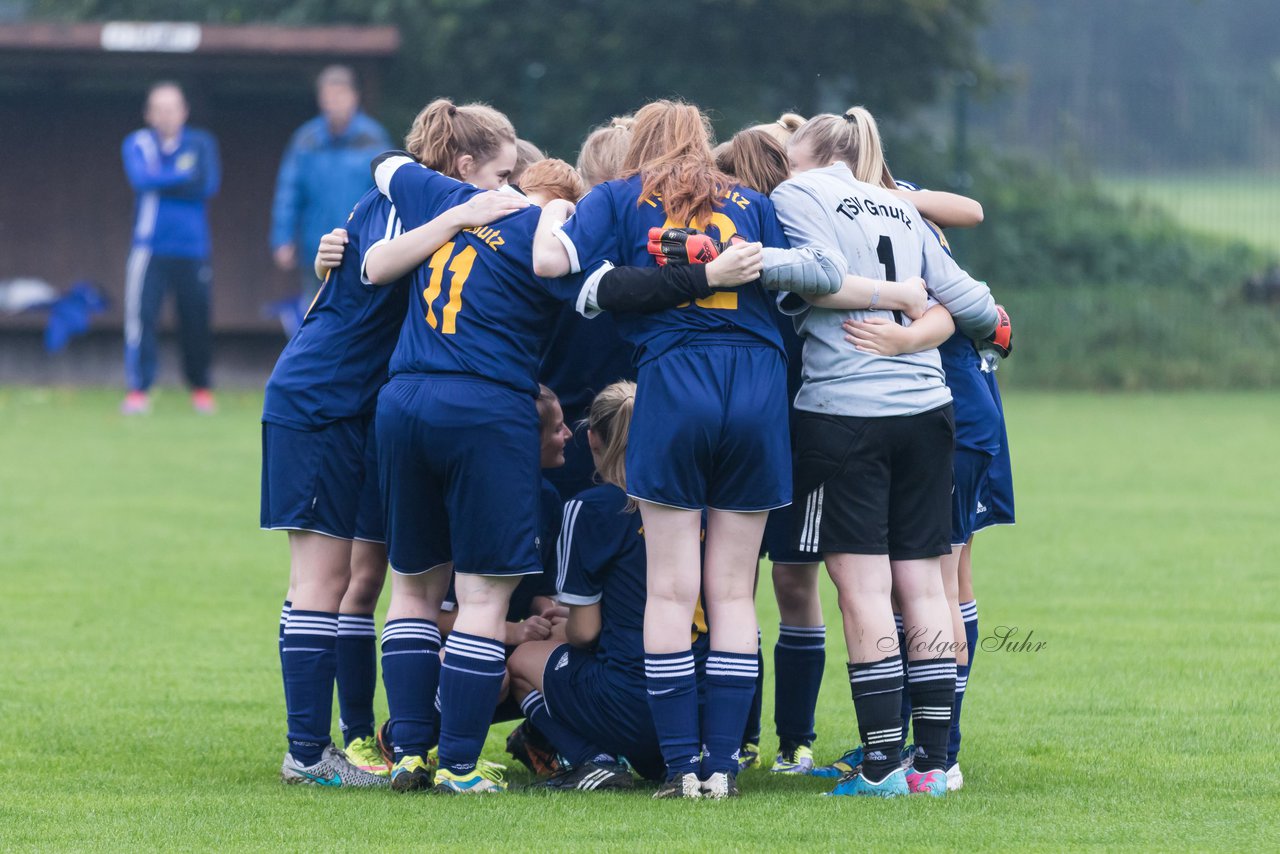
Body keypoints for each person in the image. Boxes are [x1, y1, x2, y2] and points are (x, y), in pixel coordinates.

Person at [533, 99, 840, 799]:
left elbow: (575, 282)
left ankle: (681, 767)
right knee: (733, 591)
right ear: (703, 143)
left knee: (672, 589)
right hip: (760, 389)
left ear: (639, 145)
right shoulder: (752, 202)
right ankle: (725, 768)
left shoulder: (620, 195)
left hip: (676, 383)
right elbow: (810, 280)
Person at [264, 106, 528, 787]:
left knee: (347, 581)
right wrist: (458, 218)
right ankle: (306, 755)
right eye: (503, 173)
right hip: (323, 400)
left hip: (357, 406)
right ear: (464, 168)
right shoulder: (406, 200)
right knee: (321, 582)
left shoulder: (419, 200)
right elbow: (377, 269)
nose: (510, 186)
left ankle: (341, 741)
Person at [768, 108, 1000, 797]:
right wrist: (912, 325)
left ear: (809, 153)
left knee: (864, 589)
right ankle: (932, 764)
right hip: (929, 410)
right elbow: (976, 305)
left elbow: (815, 274)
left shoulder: (796, 193)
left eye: (788, 151)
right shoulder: (899, 205)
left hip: (845, 411)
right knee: (925, 585)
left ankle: (879, 766)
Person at [506, 380, 708, 791]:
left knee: (523, 659)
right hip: (704, 706)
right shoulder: (696, 505)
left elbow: (585, 632)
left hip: (635, 704)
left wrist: (555, 629)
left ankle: (591, 760)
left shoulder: (589, 507)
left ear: (592, 437)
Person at [120, 81, 220, 415]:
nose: (166, 115)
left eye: (172, 108)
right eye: (159, 109)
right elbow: (141, 180)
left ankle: (201, 388)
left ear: (184, 111)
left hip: (193, 248)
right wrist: (179, 175)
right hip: (149, 248)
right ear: (148, 114)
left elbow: (205, 184)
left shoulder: (201, 143)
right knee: (142, 318)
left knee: (195, 318)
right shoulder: (138, 143)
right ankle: (139, 390)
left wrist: (164, 177)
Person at [270, 65, 391, 325]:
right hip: (316, 246)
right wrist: (283, 238)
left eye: (339, 96)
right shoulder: (305, 139)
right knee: (317, 316)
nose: (333, 103)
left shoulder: (373, 138)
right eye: (328, 97)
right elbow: (288, 192)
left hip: (362, 247)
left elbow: (388, 193)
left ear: (353, 97)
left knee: (361, 318)